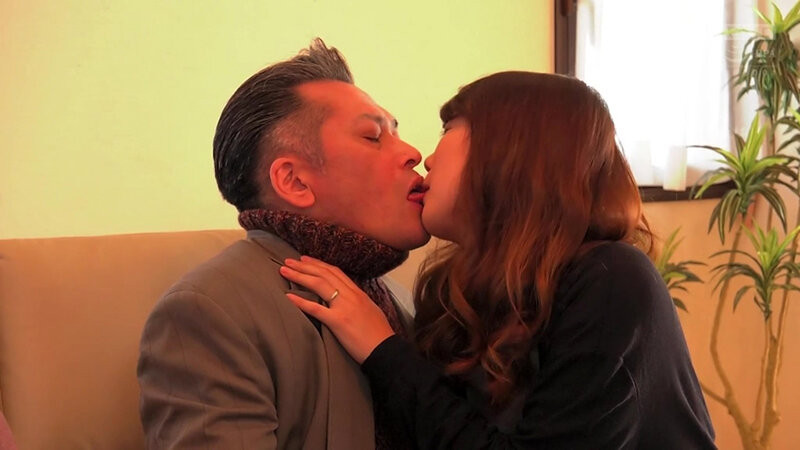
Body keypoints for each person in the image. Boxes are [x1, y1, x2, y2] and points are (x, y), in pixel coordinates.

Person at [282, 71, 717, 449]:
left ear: (510, 149)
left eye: (448, 129)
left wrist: (383, 349)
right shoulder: (452, 289)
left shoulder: (612, 279)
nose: (425, 157)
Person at [137, 39, 430, 449]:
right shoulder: (210, 311)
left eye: (398, 133)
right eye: (372, 136)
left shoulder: (401, 301)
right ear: (294, 181)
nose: (413, 153)